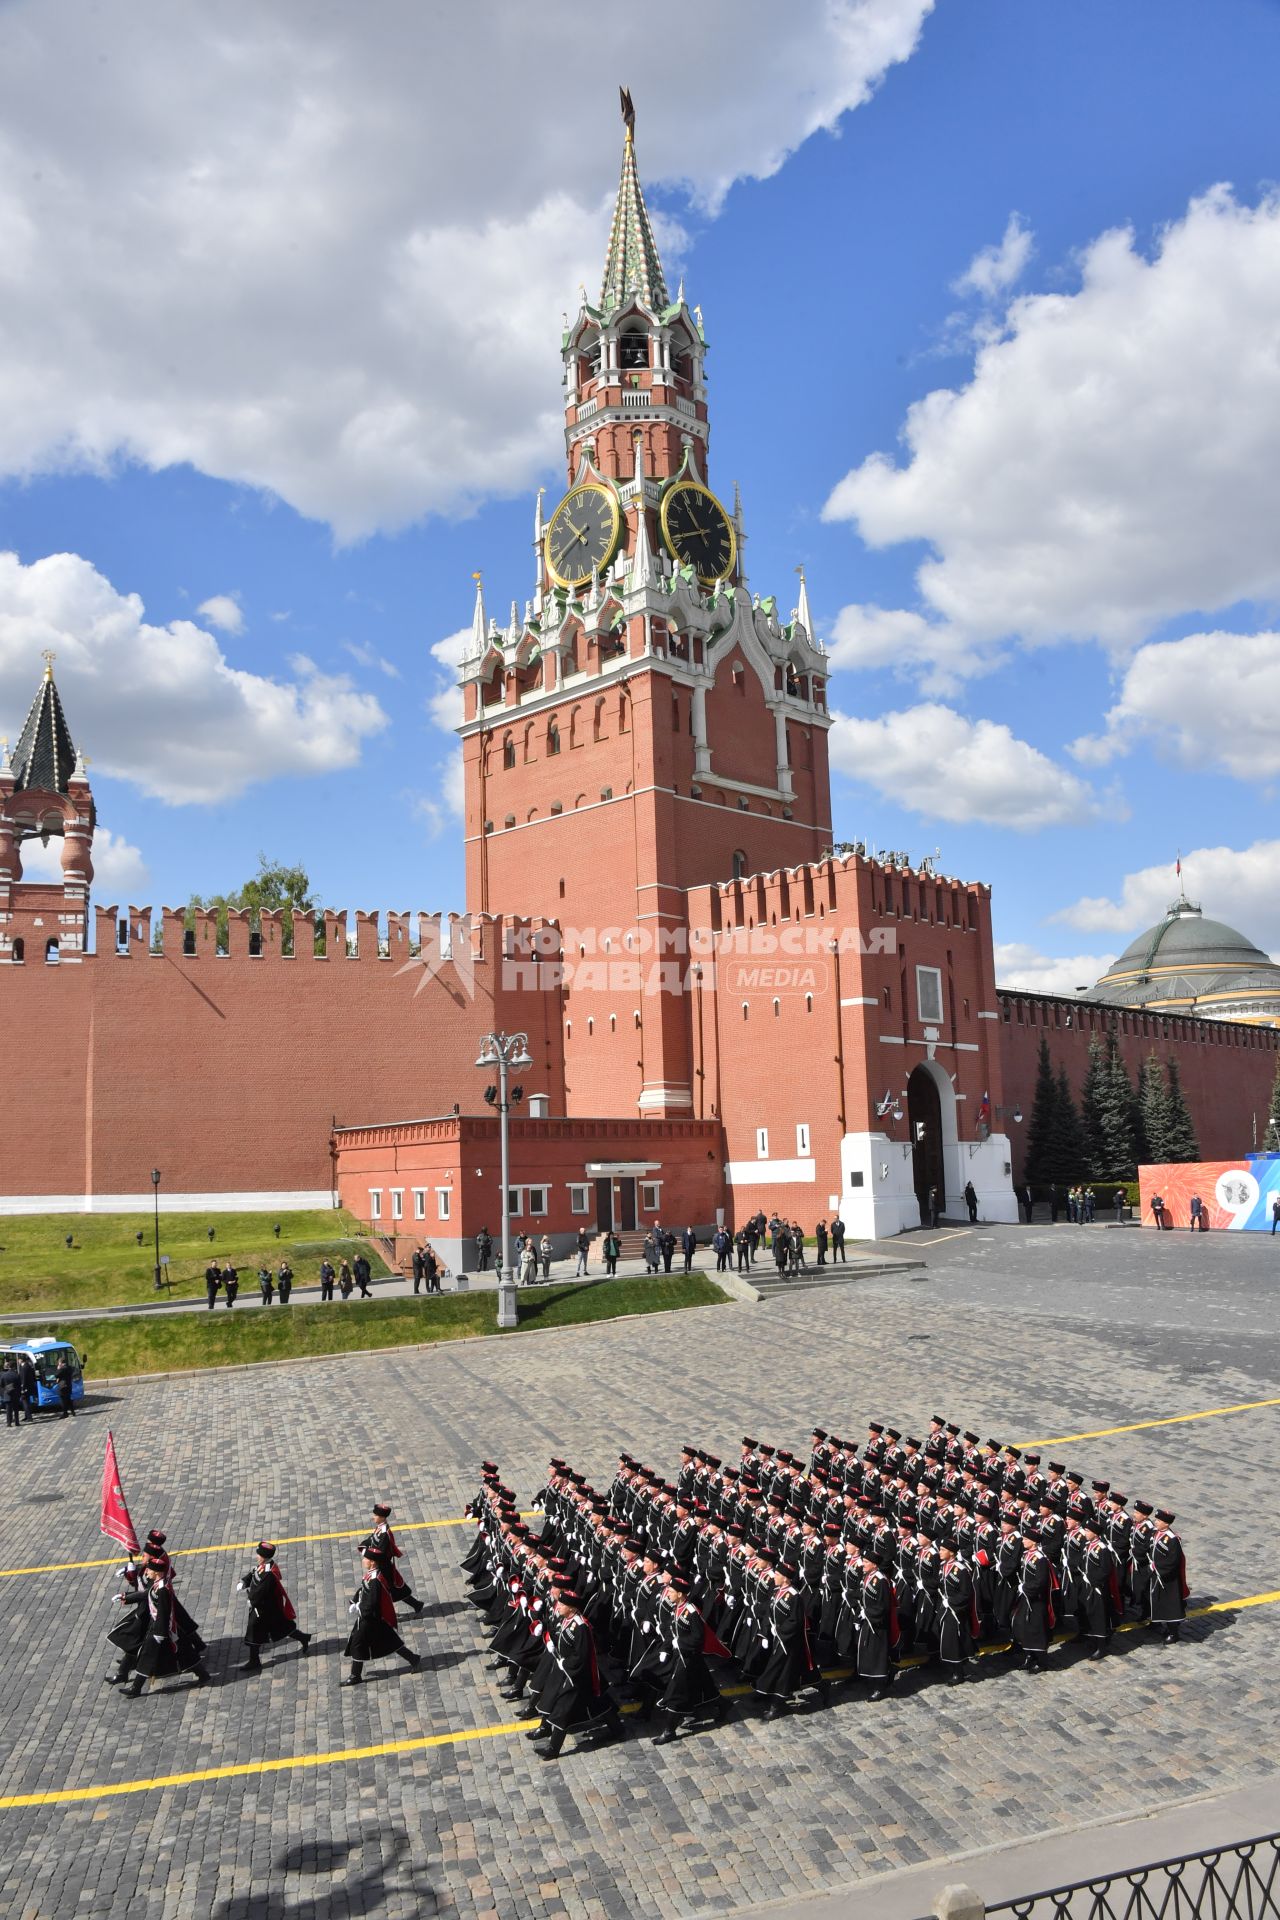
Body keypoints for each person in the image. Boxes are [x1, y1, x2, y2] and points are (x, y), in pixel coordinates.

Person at [122, 1555, 211, 1696]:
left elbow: (164, 1612)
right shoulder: (158, 1585)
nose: (146, 1572)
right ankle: (203, 1674)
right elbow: (146, 1594)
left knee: (147, 1655)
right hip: (161, 1628)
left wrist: (159, 1633)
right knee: (184, 1654)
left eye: (149, 1570)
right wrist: (126, 1597)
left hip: (163, 1629)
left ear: (157, 1572)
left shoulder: (163, 1589)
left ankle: (136, 1688)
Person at [342, 1547, 423, 1686]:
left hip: (370, 1618)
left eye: (366, 1559)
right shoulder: (371, 1575)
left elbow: (373, 1602)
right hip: (371, 1618)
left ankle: (355, 1675)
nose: (363, 1561)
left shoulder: (375, 1580)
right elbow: (363, 1589)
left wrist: (359, 1608)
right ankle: (413, 1658)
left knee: (358, 1642)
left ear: (373, 1562)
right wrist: (355, 1600)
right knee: (389, 1641)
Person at [236, 1542, 311, 1671]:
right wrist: (244, 1581)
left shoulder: (269, 1573)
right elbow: (253, 1573)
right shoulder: (264, 1566)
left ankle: (254, 1661)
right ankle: (303, 1637)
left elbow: (261, 1592)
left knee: (254, 1631)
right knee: (281, 1627)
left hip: (264, 1609)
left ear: (264, 1557)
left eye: (259, 1554)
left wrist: (252, 1601)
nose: (257, 1556)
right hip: (263, 1608)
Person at [360, 1503, 427, 1614]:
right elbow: (372, 1539)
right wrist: (364, 1544)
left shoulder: (385, 1533)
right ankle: (416, 1604)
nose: (373, 1517)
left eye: (375, 1515)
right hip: (380, 1565)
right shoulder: (380, 1529)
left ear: (382, 1517)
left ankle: (383, 1613)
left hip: (382, 1566)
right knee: (394, 1590)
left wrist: (366, 1552)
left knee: (383, 1590)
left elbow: (380, 1553)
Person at [1149, 1509, 1188, 1644]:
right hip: (1157, 1576)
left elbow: (1173, 1561)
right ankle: (1160, 1623)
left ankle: (1173, 1632)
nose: (1156, 1522)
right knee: (1159, 1602)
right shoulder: (1156, 1533)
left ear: (1166, 1524)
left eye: (1159, 1521)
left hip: (1168, 1579)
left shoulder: (1172, 1540)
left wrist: (1158, 1568)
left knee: (1170, 1606)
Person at [2, 1356, 21, 1429]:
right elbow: (19, 1384)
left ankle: (9, 1423)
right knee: (16, 1409)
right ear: (14, 1367)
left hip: (7, 1394)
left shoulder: (4, 1375)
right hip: (15, 1394)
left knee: (8, 1410)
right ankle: (17, 1422)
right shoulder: (16, 1375)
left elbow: (2, 1384)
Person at [55, 1352, 75, 1418]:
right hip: (68, 1385)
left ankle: (65, 1413)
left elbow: (56, 1375)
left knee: (63, 1400)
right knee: (68, 1399)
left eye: (59, 1363)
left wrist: (58, 1368)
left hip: (63, 1386)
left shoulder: (62, 1369)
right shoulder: (69, 1368)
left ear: (61, 1363)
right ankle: (72, 1411)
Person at [19, 1353, 36, 1422]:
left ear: (21, 1360)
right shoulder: (27, 1366)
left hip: (26, 1388)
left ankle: (29, 1417)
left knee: (25, 1402)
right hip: (29, 1387)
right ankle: (27, 1416)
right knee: (27, 1402)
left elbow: (24, 1379)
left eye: (19, 1359)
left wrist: (23, 1389)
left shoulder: (24, 1367)